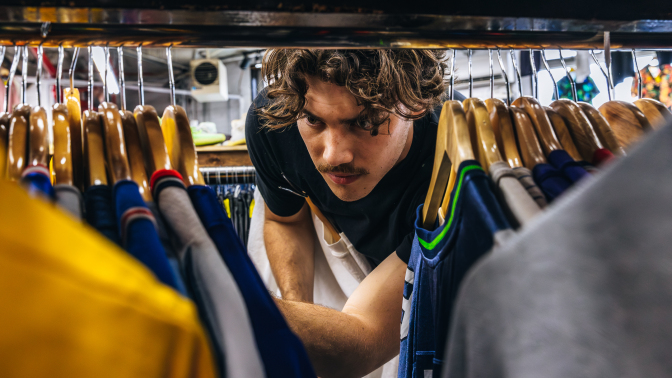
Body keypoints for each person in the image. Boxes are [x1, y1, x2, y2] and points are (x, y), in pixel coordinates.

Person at [245, 49, 457, 378]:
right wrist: (300, 308)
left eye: (364, 122)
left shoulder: (451, 165)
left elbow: (361, 343)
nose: (334, 154)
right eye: (313, 120)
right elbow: (284, 217)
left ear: (414, 104)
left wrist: (220, 291)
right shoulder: (274, 121)